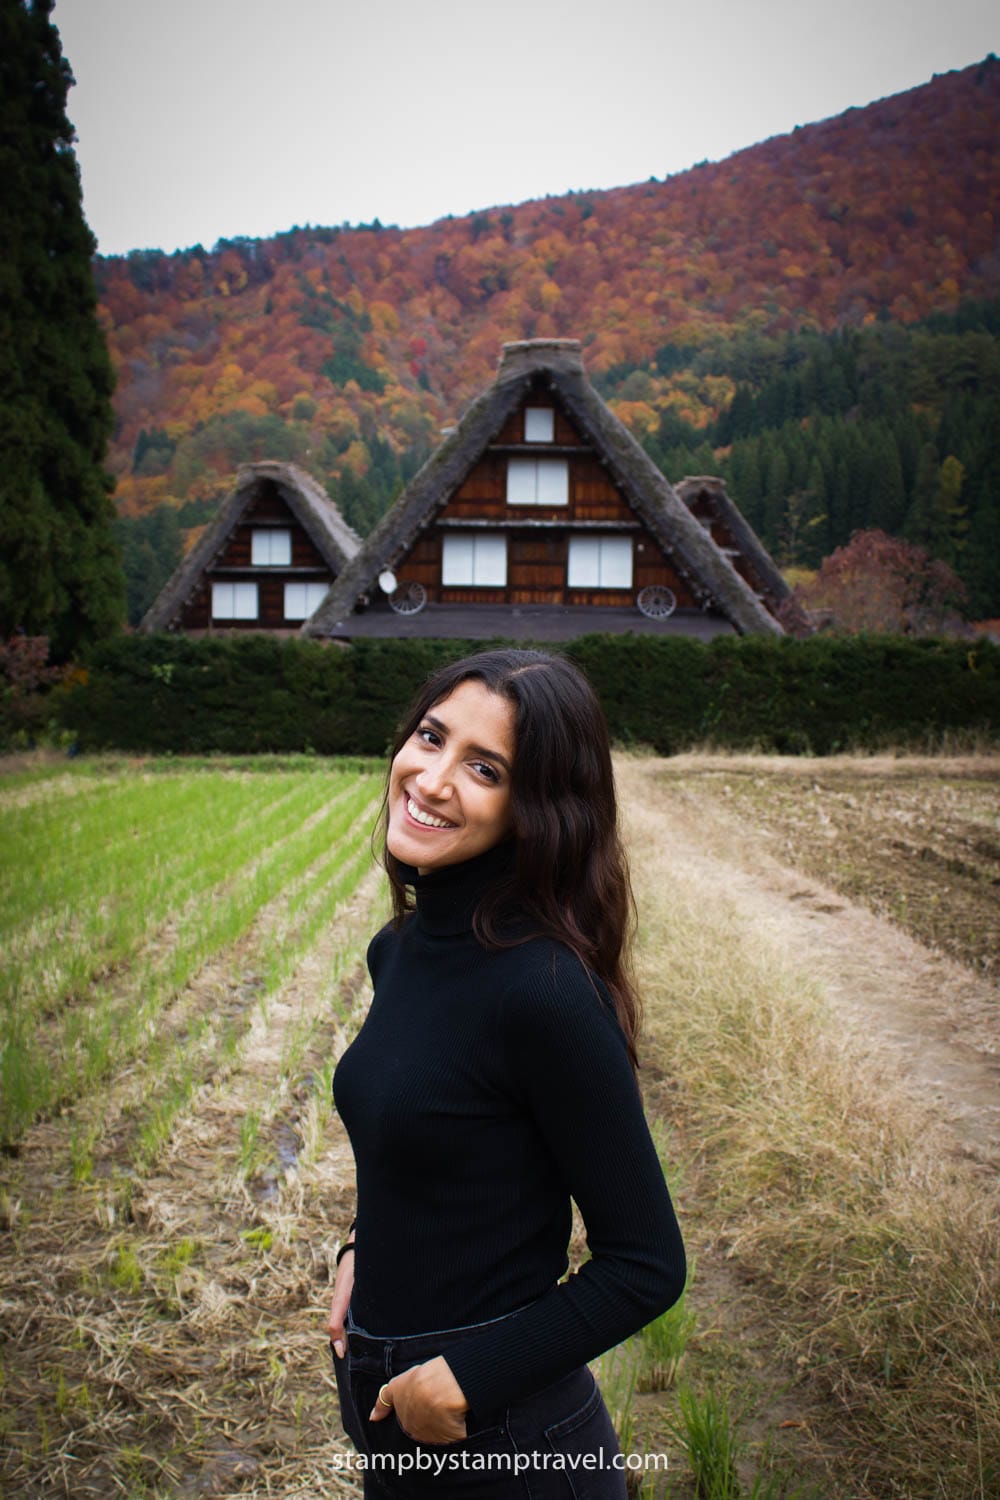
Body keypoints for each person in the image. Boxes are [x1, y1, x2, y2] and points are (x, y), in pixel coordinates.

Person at [327, 648, 685, 1497]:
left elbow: (646, 1263)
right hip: (387, 1402)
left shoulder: (546, 991)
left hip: (508, 1436)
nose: (430, 777)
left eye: (483, 768)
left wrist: (467, 1376)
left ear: (538, 811)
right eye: (430, 737)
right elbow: (423, 1146)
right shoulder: (403, 949)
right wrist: (358, 1248)